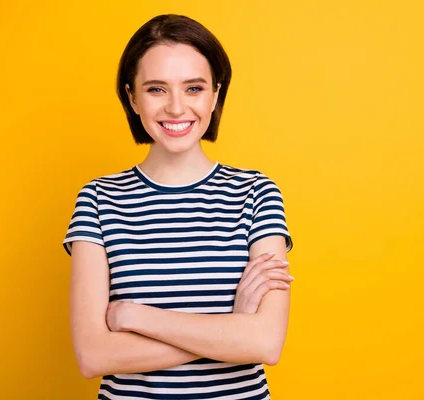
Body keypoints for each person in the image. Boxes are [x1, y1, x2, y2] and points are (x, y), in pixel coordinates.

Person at [63, 14, 293, 400]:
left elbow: (266, 344)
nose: (175, 107)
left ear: (215, 94)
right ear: (132, 97)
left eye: (194, 88)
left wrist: (135, 317)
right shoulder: (98, 200)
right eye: (156, 89)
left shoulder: (256, 193)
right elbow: (92, 355)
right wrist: (231, 329)